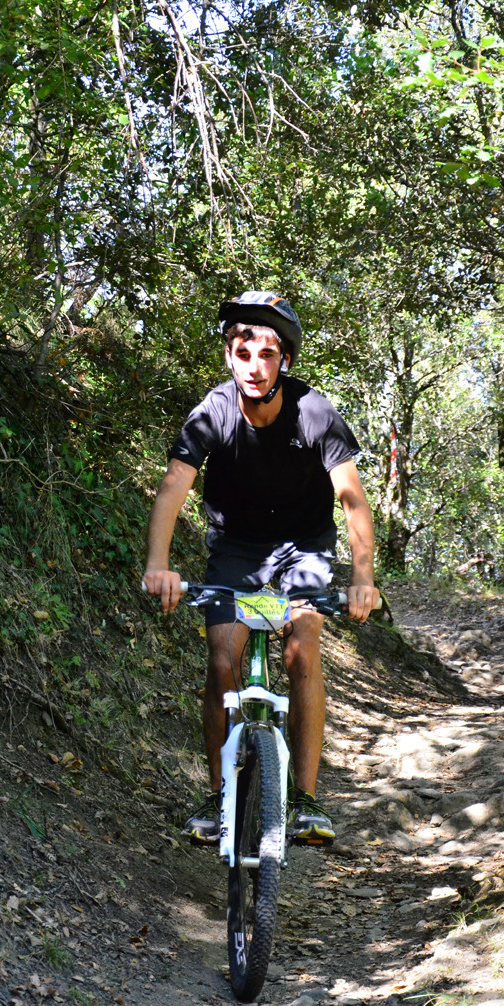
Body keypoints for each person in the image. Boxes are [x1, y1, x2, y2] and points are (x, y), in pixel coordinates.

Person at [143, 291, 379, 845]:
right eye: (242, 352)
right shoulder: (214, 412)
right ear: (229, 356)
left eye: (267, 354)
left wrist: (363, 579)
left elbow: (352, 499)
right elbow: (174, 487)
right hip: (237, 546)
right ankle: (218, 795)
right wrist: (159, 565)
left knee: (301, 644)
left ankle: (304, 800)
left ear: (285, 361)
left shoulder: (314, 412)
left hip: (303, 544)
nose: (254, 365)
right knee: (222, 659)